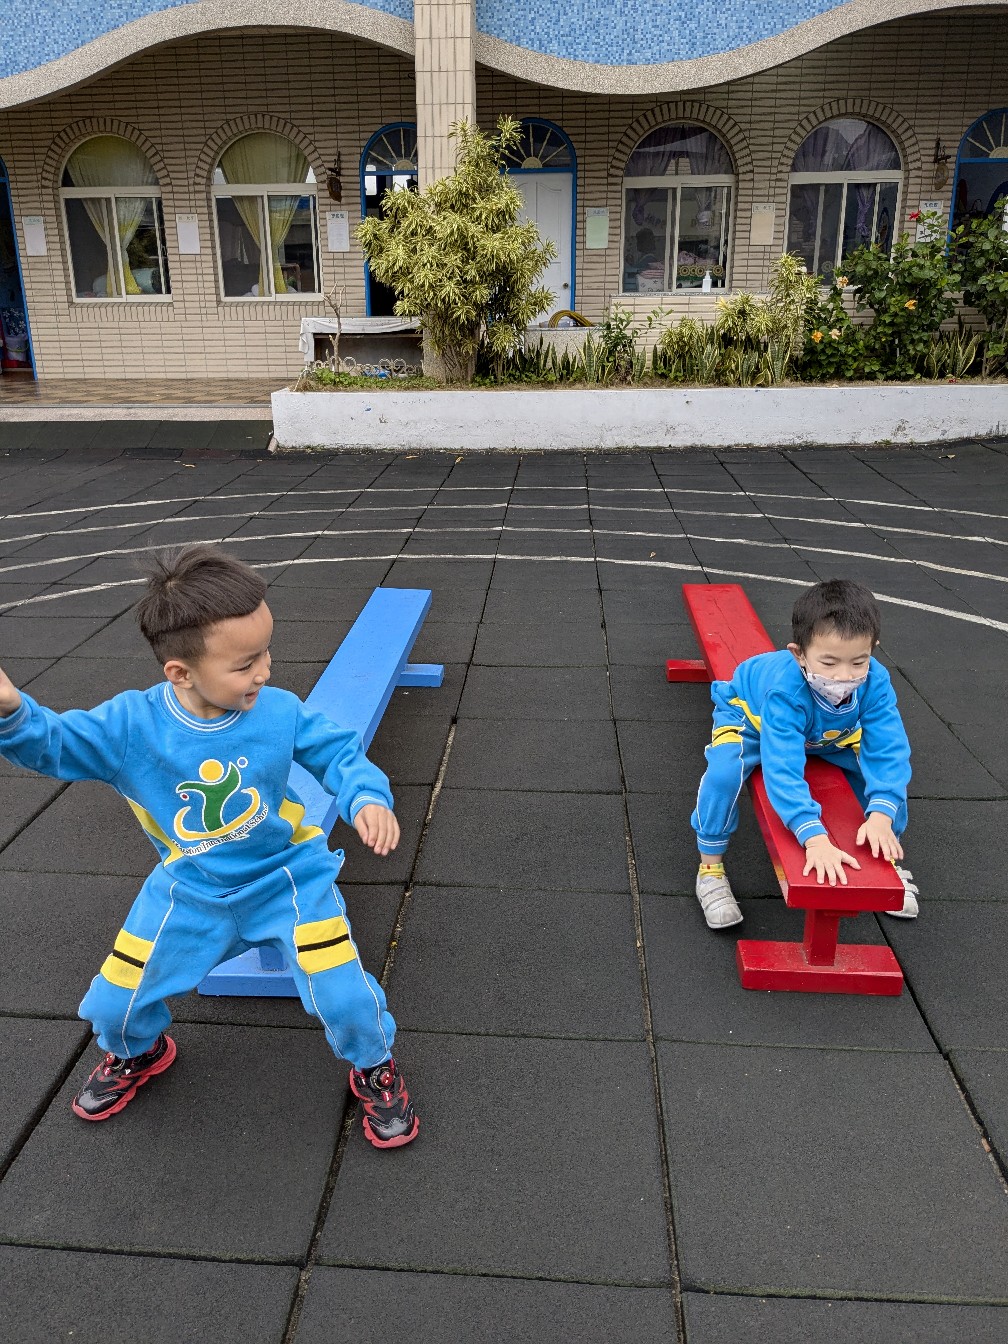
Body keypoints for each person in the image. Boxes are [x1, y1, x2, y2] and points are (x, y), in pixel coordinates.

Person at [0, 546, 418, 1148]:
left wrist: (366, 797)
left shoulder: (277, 711)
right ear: (181, 672)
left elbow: (338, 752)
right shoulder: (132, 728)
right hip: (191, 888)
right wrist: (13, 713)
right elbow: (55, 744)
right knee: (114, 1004)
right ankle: (139, 1052)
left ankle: (374, 1066)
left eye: (267, 652)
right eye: (246, 664)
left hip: (288, 879)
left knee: (345, 993)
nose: (265, 672)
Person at [691, 578, 918, 929]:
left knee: (886, 782)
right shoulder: (786, 691)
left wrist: (882, 815)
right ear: (799, 654)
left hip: (826, 733)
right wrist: (813, 836)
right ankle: (710, 868)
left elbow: (889, 749)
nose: (844, 676)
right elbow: (782, 766)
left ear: (872, 650)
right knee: (724, 773)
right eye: (829, 663)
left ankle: (886, 856)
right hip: (754, 718)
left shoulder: (875, 680)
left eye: (858, 662)